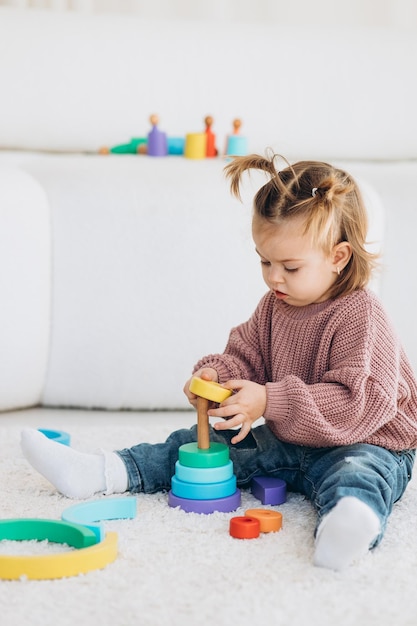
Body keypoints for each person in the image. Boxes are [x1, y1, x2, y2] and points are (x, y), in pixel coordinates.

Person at [21, 152, 417, 571]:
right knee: (202, 442)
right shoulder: (274, 305)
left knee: (358, 474)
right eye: (264, 261)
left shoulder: (361, 314)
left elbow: (360, 403)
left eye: (290, 266)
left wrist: (268, 401)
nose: (274, 277)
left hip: (370, 441)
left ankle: (349, 524)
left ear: (338, 258)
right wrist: (219, 377)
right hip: (295, 440)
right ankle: (103, 471)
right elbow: (246, 355)